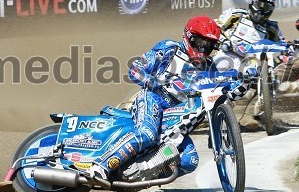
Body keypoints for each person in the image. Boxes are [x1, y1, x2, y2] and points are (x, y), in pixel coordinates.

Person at [86, 16, 256, 180]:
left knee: (190, 160)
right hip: (154, 99)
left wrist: (246, 81)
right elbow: (135, 69)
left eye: (209, 46)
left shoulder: (210, 68)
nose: (203, 49)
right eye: (200, 43)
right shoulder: (169, 48)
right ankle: (100, 167)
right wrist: (152, 82)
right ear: (189, 37)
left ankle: (138, 176)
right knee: (147, 133)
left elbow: (227, 94)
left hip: (177, 115)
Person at [213, 0, 286, 130]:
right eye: (259, 5)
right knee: (210, 78)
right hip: (228, 54)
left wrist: (290, 47)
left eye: (267, 7)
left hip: (250, 62)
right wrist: (223, 40)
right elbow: (215, 26)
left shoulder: (272, 28)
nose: (262, 9)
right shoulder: (235, 15)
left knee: (270, 77)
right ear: (252, 3)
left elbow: (282, 45)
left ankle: (252, 115)